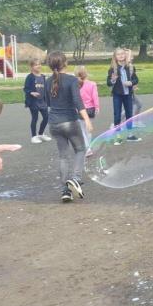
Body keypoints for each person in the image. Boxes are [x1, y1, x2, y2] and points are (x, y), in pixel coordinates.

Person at [45, 51, 93, 202]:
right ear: (65, 63)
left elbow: (48, 102)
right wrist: (87, 120)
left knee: (63, 156)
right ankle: (75, 178)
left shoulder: (47, 81)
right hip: (69, 122)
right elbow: (78, 102)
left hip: (54, 123)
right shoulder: (71, 80)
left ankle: (65, 191)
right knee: (80, 149)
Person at [107, 48, 140, 144]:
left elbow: (136, 79)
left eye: (122, 54)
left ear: (125, 55)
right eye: (118, 54)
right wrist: (112, 80)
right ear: (115, 57)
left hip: (128, 95)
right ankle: (118, 136)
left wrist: (131, 82)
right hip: (117, 95)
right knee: (117, 115)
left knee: (129, 115)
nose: (121, 55)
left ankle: (130, 135)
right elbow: (108, 83)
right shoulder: (112, 69)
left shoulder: (130, 67)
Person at [23, 59, 51, 144]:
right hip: (34, 102)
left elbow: (46, 88)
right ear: (31, 67)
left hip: (43, 102)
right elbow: (26, 89)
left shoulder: (43, 76)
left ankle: (41, 134)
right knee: (35, 118)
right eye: (35, 65)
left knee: (46, 118)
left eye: (39, 64)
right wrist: (32, 92)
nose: (38, 66)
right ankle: (34, 136)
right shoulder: (30, 77)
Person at [74, 65, 99, 157]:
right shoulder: (92, 84)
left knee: (82, 130)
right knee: (88, 130)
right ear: (86, 73)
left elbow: (74, 98)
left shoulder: (75, 85)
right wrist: (97, 107)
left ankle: (87, 148)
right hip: (91, 109)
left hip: (79, 109)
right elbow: (95, 97)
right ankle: (89, 147)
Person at [124, 48, 144, 127]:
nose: (132, 57)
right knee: (132, 107)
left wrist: (134, 86)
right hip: (126, 91)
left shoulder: (132, 67)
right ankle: (115, 124)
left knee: (137, 105)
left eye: (132, 56)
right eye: (130, 56)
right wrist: (129, 52)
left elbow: (133, 78)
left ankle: (135, 121)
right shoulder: (125, 66)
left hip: (130, 91)